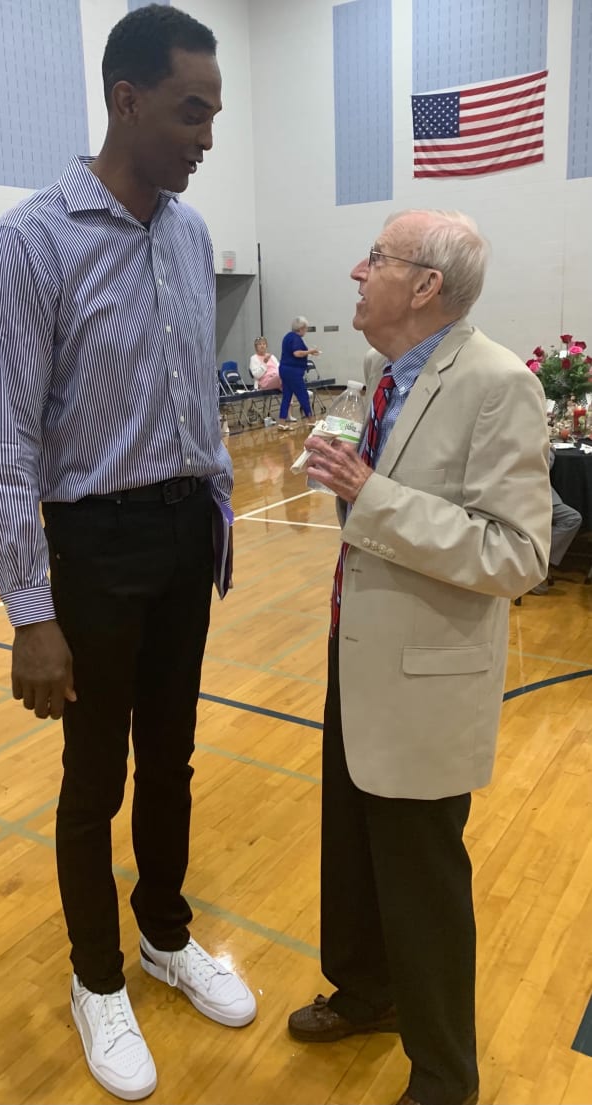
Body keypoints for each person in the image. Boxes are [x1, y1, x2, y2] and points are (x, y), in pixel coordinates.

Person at [0, 6, 256, 1101]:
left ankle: (164, 934)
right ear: (127, 100)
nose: (208, 135)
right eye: (194, 110)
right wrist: (31, 611)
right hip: (93, 546)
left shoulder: (188, 235)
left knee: (173, 759)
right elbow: (10, 445)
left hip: (186, 533)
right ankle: (98, 981)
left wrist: (218, 504)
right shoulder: (32, 242)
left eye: (216, 112)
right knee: (92, 778)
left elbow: (194, 396)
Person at [288, 210, 552, 1105]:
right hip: (354, 651)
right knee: (353, 850)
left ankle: (445, 1075)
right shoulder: (380, 375)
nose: (357, 273)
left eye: (378, 261)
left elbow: (518, 554)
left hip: (426, 680)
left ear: (426, 285)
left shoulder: (498, 383)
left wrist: (372, 494)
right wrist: (347, 478)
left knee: (423, 880)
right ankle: (367, 992)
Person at [529, 447, 582, 593]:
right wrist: (550, 448)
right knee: (571, 519)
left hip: (531, 489)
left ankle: (537, 562)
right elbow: (544, 464)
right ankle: (535, 565)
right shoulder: (527, 436)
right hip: (531, 491)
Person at [277, 316, 319, 429]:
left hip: (284, 370)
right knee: (303, 395)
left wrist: (308, 352)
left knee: (287, 396)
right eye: (305, 329)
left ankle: (281, 422)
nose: (306, 331)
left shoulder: (287, 337)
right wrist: (310, 351)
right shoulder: (296, 338)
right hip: (293, 372)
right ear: (301, 328)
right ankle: (311, 420)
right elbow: (297, 353)